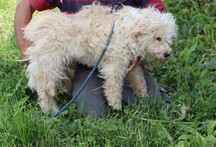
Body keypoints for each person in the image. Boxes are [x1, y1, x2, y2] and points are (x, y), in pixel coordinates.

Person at [14, 0, 172, 119]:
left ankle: (149, 90)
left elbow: (160, 16)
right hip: (81, 55)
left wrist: (138, 52)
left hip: (126, 54)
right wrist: (24, 49)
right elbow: (26, 4)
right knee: (93, 110)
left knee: (153, 103)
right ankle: (71, 87)